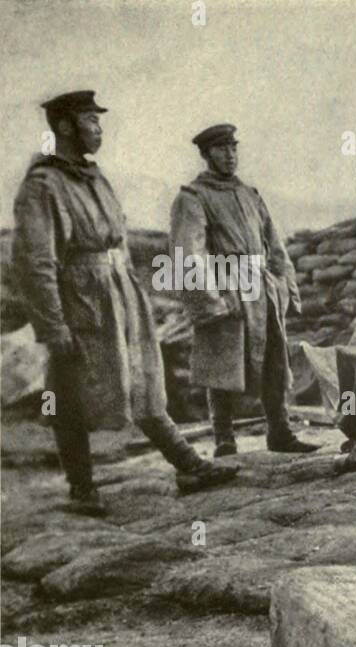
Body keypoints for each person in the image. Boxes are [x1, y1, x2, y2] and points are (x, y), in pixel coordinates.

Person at [12, 91, 239, 517]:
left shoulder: (94, 177)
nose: (98, 129)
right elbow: (34, 264)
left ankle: (187, 465)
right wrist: (54, 327)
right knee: (67, 391)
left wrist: (131, 291)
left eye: (99, 121)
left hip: (118, 294)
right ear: (64, 127)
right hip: (80, 301)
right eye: (90, 121)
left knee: (143, 382)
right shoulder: (43, 185)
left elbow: (117, 237)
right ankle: (82, 489)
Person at [169, 123, 318, 456]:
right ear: (206, 155)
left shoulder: (250, 194)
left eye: (233, 148)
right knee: (223, 361)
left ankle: (280, 431)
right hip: (227, 287)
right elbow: (187, 253)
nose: (230, 155)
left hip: (261, 285)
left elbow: (274, 244)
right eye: (221, 149)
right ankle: (224, 438)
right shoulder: (193, 197)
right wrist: (211, 299)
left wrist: (284, 286)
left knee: (274, 360)